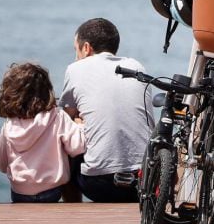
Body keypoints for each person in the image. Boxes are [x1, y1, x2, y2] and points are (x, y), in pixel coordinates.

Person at [60, 17, 151, 202]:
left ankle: (72, 207)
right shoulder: (136, 66)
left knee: (65, 137)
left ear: (86, 48)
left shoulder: (75, 69)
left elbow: (65, 119)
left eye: (75, 49)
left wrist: (78, 121)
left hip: (98, 185)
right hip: (142, 181)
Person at [0, 62, 86, 202]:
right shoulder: (57, 116)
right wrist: (80, 126)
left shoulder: (9, 124)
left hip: (20, 193)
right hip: (52, 191)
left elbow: (1, 163)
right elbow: (78, 147)